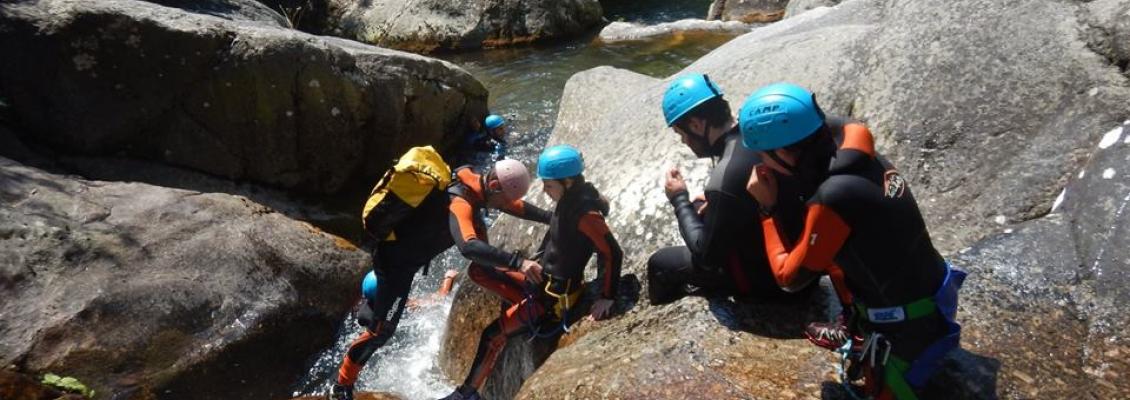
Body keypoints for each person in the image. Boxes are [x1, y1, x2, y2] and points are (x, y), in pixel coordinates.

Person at [740, 82, 965, 399]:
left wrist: (767, 208)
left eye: (763, 156)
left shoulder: (835, 196)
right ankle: (855, 327)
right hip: (935, 291)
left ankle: (879, 347)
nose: (762, 164)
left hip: (910, 326)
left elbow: (788, 278)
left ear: (785, 152)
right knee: (833, 248)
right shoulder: (857, 152)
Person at [328, 157, 539, 400]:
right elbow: (469, 247)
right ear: (493, 186)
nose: (505, 205)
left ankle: (524, 297)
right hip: (396, 266)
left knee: (482, 270)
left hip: (408, 255)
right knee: (381, 332)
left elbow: (514, 206)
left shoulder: (473, 181)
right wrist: (519, 263)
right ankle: (341, 385)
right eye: (503, 199)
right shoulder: (461, 202)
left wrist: (551, 217)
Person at [440, 145, 623, 400]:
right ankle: (520, 303)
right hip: (542, 283)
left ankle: (467, 394)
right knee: (479, 271)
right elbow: (526, 211)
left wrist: (608, 295)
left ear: (568, 181)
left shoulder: (584, 213)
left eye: (549, 186)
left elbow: (612, 252)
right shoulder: (568, 199)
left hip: (550, 300)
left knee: (491, 335)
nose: (545, 191)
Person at [647, 73, 806, 306]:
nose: (683, 141)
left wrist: (679, 198)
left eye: (681, 133)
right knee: (700, 206)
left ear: (696, 125)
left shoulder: (725, 178)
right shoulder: (759, 137)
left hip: (770, 286)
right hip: (803, 271)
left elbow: (705, 258)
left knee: (660, 262)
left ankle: (661, 318)